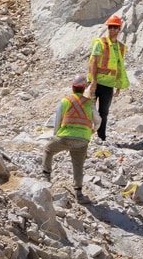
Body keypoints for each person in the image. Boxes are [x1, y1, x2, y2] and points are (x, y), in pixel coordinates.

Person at [42, 74, 100, 202]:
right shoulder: (89, 103)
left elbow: (57, 120)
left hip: (64, 137)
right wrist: (92, 131)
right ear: (84, 88)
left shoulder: (65, 101)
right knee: (78, 165)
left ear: (73, 87)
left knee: (48, 149)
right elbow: (98, 120)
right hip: (82, 141)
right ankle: (79, 194)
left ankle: (46, 177)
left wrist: (56, 136)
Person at [88, 14, 129, 142]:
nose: (113, 29)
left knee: (104, 112)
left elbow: (119, 67)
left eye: (115, 27)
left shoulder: (120, 47)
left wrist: (118, 85)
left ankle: (101, 137)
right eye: (111, 27)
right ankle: (86, 135)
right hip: (96, 82)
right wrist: (93, 82)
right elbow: (94, 62)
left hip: (108, 84)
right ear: (108, 28)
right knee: (90, 109)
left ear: (119, 29)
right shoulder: (100, 43)